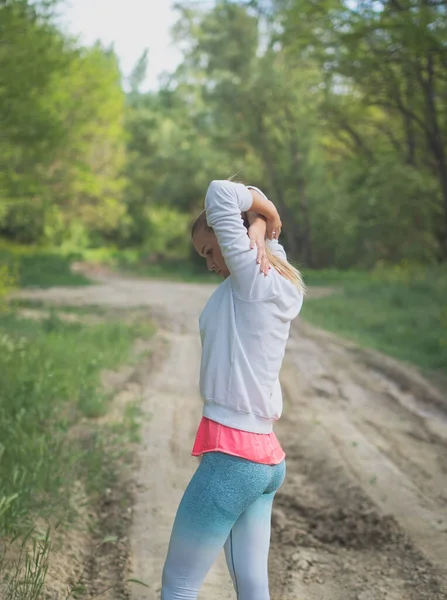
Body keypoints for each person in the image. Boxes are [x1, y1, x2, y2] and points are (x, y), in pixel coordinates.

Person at [160, 179, 305, 600]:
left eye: (210, 250)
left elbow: (221, 191)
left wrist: (268, 216)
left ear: (233, 237)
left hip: (233, 462)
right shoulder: (277, 279)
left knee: (180, 585)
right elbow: (260, 234)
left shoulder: (250, 280)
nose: (209, 262)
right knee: (252, 586)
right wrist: (261, 226)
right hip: (265, 461)